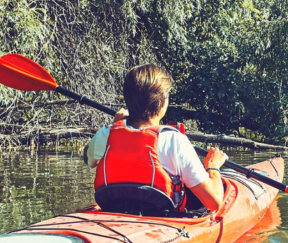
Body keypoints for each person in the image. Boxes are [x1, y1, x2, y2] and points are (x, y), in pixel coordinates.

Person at [84, 64, 227, 214]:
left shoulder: (105, 135)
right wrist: (213, 166)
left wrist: (116, 126)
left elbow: (87, 158)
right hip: (161, 223)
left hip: (114, 215)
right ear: (163, 101)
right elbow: (214, 202)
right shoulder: (175, 140)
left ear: (127, 99)